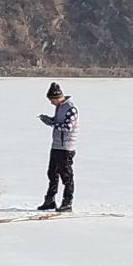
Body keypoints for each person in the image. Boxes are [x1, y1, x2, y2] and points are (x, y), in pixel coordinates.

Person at [38, 82, 78, 212]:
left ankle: (67, 202)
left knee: (66, 176)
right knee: (52, 174)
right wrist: (49, 120)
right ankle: (50, 200)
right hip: (56, 146)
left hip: (66, 147)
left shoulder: (71, 108)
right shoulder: (60, 107)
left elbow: (67, 127)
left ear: (56, 98)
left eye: (51, 100)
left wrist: (52, 124)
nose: (51, 103)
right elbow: (58, 122)